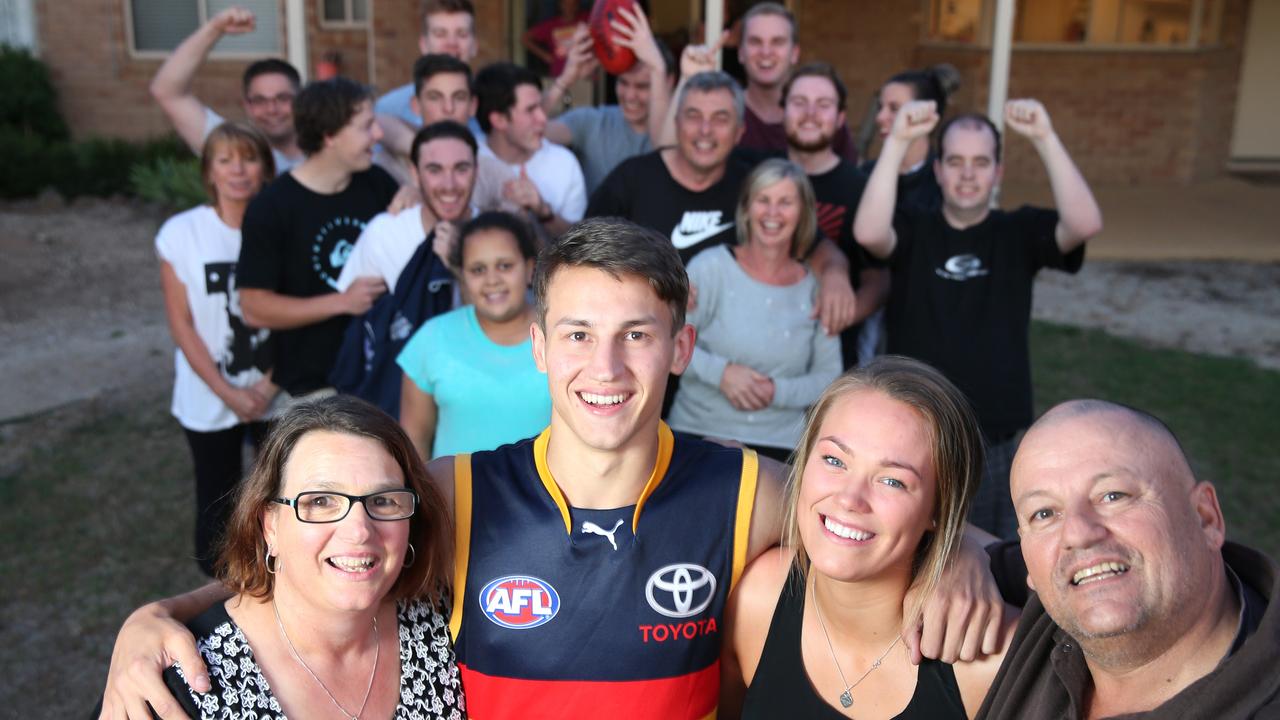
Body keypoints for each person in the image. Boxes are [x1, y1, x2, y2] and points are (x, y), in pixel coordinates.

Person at [99, 220, 1007, 720]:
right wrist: (156, 617)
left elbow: (869, 511)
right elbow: (305, 568)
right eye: (577, 334)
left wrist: (960, 547)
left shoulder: (744, 492)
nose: (604, 369)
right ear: (539, 347)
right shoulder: (453, 492)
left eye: (636, 338)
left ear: (681, 347)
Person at [854, 99, 1103, 538]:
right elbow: (869, 233)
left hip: (994, 437)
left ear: (997, 173)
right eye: (955, 161)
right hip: (918, 431)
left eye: (981, 162)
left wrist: (1045, 137)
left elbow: (1084, 223)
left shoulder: (1019, 232)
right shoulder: (914, 227)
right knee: (912, 554)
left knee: (994, 562)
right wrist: (897, 141)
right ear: (938, 171)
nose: (968, 174)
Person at [138, 395, 463, 718]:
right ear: (270, 526)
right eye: (321, 501)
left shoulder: (446, 626)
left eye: (383, 501)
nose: (359, 531)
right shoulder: (182, 684)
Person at [728, 356, 1016, 719]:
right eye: (834, 461)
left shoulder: (988, 662)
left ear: (939, 509)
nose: (850, 499)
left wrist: (967, 550)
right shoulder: (755, 602)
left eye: (892, 481)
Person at [980, 400, 1280, 719]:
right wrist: (959, 550)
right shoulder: (1025, 607)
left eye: (1113, 496)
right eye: (1044, 513)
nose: (1078, 534)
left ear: (1205, 518)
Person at [590, 70, 858, 335]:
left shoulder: (753, 182)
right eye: (694, 116)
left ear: (740, 130)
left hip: (732, 350)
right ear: (677, 122)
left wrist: (835, 275)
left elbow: (818, 245)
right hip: (647, 342)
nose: (705, 131)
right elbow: (584, 256)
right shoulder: (632, 178)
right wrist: (655, 282)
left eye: (720, 118)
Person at [156, 122, 278, 576]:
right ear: (209, 171)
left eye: (248, 158)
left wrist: (269, 385)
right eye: (225, 160)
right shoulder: (182, 233)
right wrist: (226, 392)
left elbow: (296, 313)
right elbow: (181, 323)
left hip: (275, 388)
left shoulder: (282, 226)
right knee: (216, 497)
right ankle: (218, 595)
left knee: (279, 491)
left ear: (265, 168)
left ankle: (278, 580)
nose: (238, 170)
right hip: (209, 390)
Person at [236, 77, 400, 406]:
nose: (378, 135)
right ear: (329, 136)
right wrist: (341, 301)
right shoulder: (273, 207)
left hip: (379, 376)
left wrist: (410, 195)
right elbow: (253, 307)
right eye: (366, 127)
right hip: (313, 390)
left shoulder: (377, 185)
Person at [667, 159, 841, 461]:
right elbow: (669, 346)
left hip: (782, 446)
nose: (772, 213)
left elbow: (829, 376)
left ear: (803, 213)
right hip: (697, 433)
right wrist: (722, 374)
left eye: (785, 202)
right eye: (763, 200)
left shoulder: (816, 287)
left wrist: (776, 391)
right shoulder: (710, 268)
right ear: (746, 208)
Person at [330, 120, 480, 416]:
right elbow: (359, 325)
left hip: (471, 398)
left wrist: (460, 266)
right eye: (434, 170)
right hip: (397, 401)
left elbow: (508, 326)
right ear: (414, 173)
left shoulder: (495, 236)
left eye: (461, 169)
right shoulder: (385, 232)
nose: (449, 184)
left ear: (477, 170)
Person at [398, 211, 549, 459]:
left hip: (547, 496)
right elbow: (414, 442)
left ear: (530, 268)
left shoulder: (562, 336)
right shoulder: (432, 339)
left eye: (505, 266)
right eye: (478, 270)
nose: (492, 280)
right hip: (452, 496)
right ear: (462, 276)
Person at [780, 62, 890, 368]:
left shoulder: (860, 189)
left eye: (823, 105)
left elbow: (879, 280)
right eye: (799, 103)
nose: (810, 113)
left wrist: (839, 317)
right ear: (783, 111)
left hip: (829, 355)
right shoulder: (756, 175)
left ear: (840, 118)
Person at [149, 6, 303, 172]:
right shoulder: (231, 147)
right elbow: (167, 91)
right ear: (247, 106)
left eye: (282, 98)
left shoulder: (327, 151)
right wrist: (214, 29)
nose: (272, 109)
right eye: (260, 100)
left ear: (301, 100)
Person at [542, 8, 674, 193]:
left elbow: (665, 152)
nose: (629, 96)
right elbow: (529, 132)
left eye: (642, 86)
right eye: (623, 82)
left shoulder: (687, 131)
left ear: (668, 82)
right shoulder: (593, 122)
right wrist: (565, 80)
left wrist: (657, 69)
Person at [471, 62, 587, 236]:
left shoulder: (564, 163)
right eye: (530, 110)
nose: (542, 118)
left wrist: (543, 210)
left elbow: (579, 246)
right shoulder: (465, 160)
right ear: (499, 120)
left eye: (540, 107)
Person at [735, 2, 858, 163]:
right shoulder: (724, 115)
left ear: (794, 53)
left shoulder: (821, 119)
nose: (765, 52)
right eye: (755, 42)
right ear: (741, 53)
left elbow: (848, 179)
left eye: (777, 42)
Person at [861, 66, 961, 214]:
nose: (880, 117)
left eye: (894, 108)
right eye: (880, 107)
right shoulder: (864, 174)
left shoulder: (946, 181)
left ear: (926, 114)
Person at [374, 0, 478, 129]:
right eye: (440, 34)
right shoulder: (389, 109)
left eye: (462, 34)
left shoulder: (494, 108)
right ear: (424, 44)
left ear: (474, 45)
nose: (452, 43)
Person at [521, 0, 587, 78]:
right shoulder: (551, 25)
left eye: (573, 5)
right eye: (566, 4)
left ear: (577, 6)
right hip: (559, 73)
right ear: (560, 5)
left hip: (584, 72)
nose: (569, 8)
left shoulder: (586, 19)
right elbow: (525, 38)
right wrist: (546, 56)